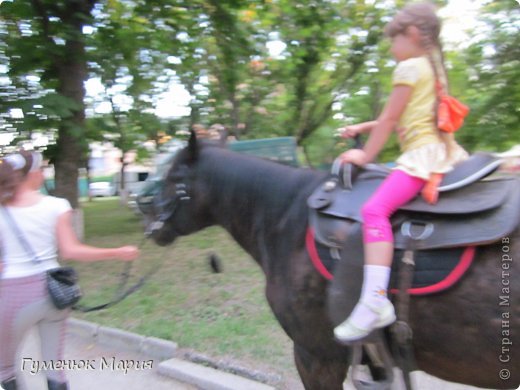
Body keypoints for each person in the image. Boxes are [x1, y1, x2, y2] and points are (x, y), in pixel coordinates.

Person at [333, 2, 468, 342]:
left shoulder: (408, 68)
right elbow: (395, 115)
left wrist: (364, 154)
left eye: (393, 42)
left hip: (421, 157)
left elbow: (392, 119)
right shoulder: (430, 69)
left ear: (410, 35)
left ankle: (375, 301)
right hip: (439, 152)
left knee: (374, 210)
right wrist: (360, 126)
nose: (392, 51)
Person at [0, 150, 140, 390]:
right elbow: (71, 251)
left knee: (4, 369)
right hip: (54, 293)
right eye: (41, 169)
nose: (43, 174)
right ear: (32, 174)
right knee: (54, 366)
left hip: (13, 296)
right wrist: (117, 252)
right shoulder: (56, 205)